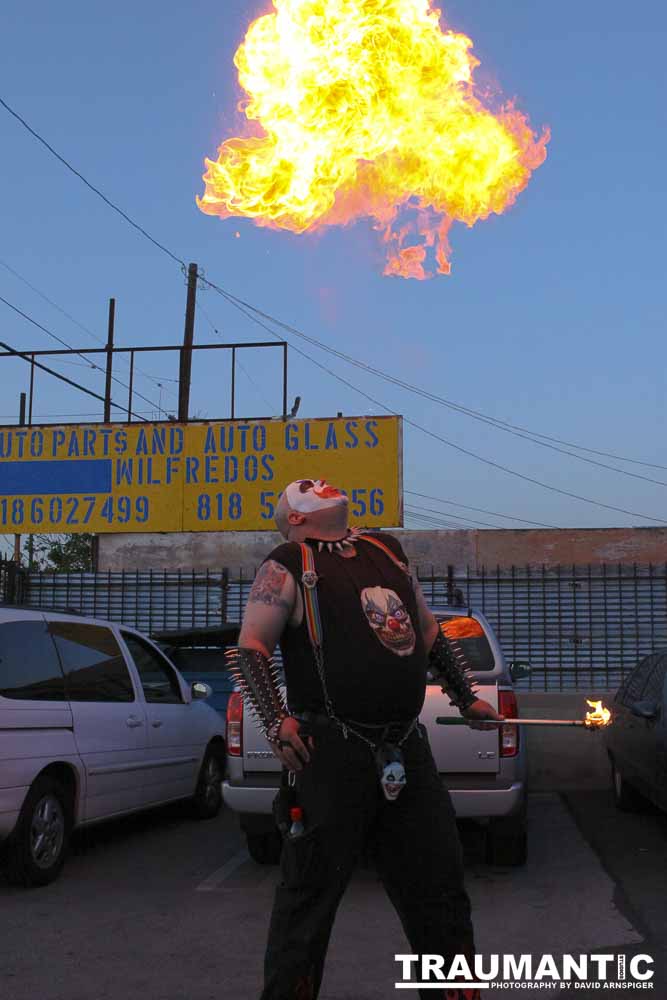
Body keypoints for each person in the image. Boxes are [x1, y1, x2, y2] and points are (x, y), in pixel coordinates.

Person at [228, 478, 503, 1000]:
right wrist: (276, 720)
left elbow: (425, 632)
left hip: (406, 749)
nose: (319, 483)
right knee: (306, 905)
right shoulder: (288, 561)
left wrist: (466, 698)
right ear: (296, 519)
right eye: (303, 489)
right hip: (329, 754)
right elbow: (252, 646)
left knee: (440, 895)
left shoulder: (387, 550)